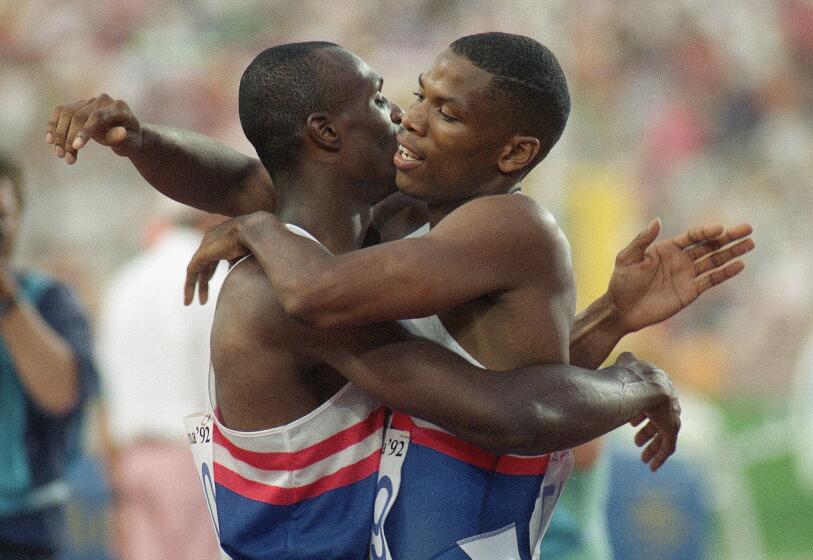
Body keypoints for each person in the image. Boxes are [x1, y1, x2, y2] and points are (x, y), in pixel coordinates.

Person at [47, 36, 751, 559]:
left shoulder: (481, 227)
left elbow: (514, 407)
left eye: (440, 111)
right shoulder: (329, 260)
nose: (408, 119)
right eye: (400, 99)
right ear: (327, 136)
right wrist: (140, 142)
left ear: (511, 154)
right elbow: (504, 406)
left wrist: (629, 360)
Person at [96, 206, 222, 560]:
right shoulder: (211, 277)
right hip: (193, 451)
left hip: (131, 456)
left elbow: (106, 383)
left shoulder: (124, 280)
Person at [0, 154, 99, 560]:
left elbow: (62, 395)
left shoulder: (50, 300)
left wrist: (6, 296)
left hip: (24, 527)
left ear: (18, 220)